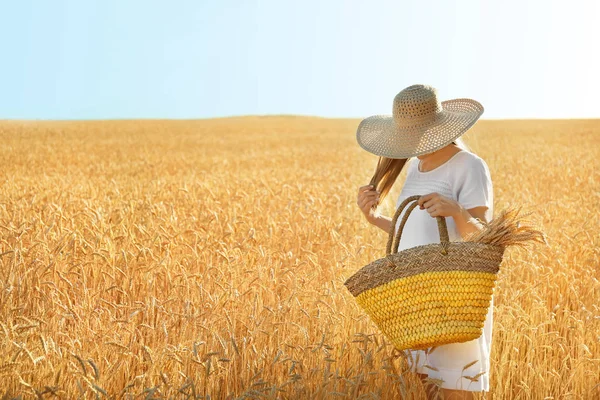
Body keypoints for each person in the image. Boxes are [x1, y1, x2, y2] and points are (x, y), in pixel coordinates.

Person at [355, 84, 494, 399]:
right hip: (418, 306)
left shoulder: (469, 165)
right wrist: (374, 218)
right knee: (428, 391)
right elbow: (415, 235)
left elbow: (484, 237)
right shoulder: (417, 167)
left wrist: (456, 211)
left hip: (456, 300)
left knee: (458, 391)